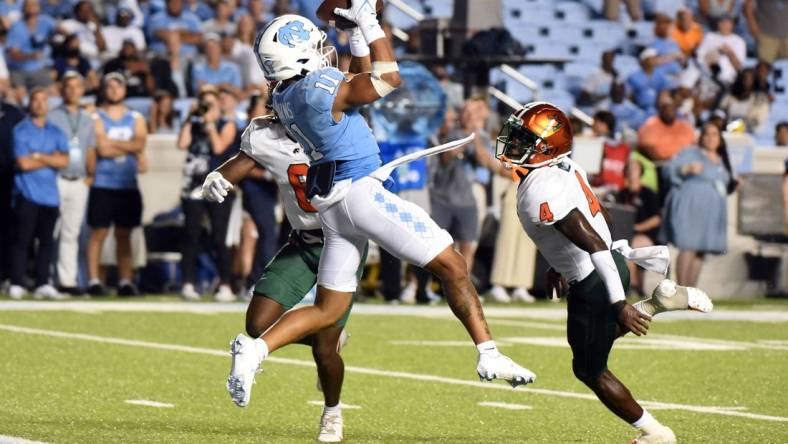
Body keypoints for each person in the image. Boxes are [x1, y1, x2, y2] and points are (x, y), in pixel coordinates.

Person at [215, 9, 534, 416]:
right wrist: (370, 23)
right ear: (297, 59)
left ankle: (255, 348)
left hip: (333, 208)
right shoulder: (317, 86)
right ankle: (488, 352)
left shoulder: (286, 96)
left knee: (328, 312)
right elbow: (386, 79)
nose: (323, 51)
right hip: (359, 193)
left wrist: (357, 37)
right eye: (313, 48)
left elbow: (361, 78)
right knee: (452, 265)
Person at [494, 101, 713, 444]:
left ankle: (656, 434)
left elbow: (593, 243)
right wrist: (559, 262)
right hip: (605, 266)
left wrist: (618, 303)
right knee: (591, 345)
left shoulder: (539, 187)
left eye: (525, 139)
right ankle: (659, 302)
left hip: (595, 277)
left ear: (547, 145)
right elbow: (602, 220)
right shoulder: (565, 167)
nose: (515, 144)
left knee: (589, 368)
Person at [203, 112, 358, 442]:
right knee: (258, 324)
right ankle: (326, 335)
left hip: (342, 242)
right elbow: (241, 163)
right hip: (302, 241)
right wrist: (216, 177)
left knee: (324, 351)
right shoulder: (265, 133)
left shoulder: (339, 126)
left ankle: (332, 411)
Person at [86, 73, 147, 297]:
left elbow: (140, 143)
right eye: (109, 85)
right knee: (99, 233)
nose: (113, 90)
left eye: (117, 85)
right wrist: (127, 145)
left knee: (124, 234)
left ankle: (125, 280)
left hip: (127, 184)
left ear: (124, 89)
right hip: (103, 182)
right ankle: (93, 279)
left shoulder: (135, 117)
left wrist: (112, 143)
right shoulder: (97, 117)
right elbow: (101, 149)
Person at [176, 88, 237, 302]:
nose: (207, 108)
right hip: (192, 185)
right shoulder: (193, 124)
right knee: (190, 236)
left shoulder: (226, 124)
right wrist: (188, 119)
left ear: (219, 106)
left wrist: (210, 124)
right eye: (204, 104)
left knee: (220, 237)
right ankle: (187, 283)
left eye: (211, 104)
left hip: (217, 185)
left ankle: (225, 284)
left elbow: (219, 147)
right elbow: (182, 144)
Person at [8, 87, 69, 299]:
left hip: (50, 195)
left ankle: (42, 281)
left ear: (49, 104)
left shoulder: (55, 131)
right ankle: (17, 281)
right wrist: (49, 158)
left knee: (46, 242)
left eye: (44, 100)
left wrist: (37, 156)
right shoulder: (21, 130)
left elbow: (65, 160)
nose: (40, 104)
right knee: (23, 240)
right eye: (36, 100)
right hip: (27, 193)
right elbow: (23, 164)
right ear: (30, 103)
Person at [661, 122, 737, 287]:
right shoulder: (690, 153)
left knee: (700, 250)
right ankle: (682, 290)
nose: (710, 138)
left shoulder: (721, 159)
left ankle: (692, 292)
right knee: (688, 246)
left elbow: (725, 183)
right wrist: (685, 169)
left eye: (714, 134)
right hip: (690, 207)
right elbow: (668, 169)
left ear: (720, 139)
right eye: (707, 134)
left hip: (711, 212)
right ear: (701, 137)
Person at [48, 72, 95, 295]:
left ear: (82, 90)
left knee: (71, 232)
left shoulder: (87, 119)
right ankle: (46, 278)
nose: (73, 91)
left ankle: (66, 281)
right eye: (69, 87)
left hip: (79, 179)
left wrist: (90, 177)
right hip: (56, 177)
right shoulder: (52, 116)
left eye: (77, 87)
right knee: (51, 230)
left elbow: (91, 149)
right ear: (62, 90)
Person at [617, 161, 661, 297]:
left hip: (644, 234)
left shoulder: (648, 193)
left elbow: (657, 218)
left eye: (635, 169)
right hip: (623, 234)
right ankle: (635, 287)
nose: (632, 172)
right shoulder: (621, 194)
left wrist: (637, 227)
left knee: (632, 247)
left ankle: (635, 285)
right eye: (629, 168)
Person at [4, 0, 57, 97]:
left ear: (39, 7)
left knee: (54, 92)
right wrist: (30, 56)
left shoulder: (45, 21)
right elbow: (13, 54)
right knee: (19, 95)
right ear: (23, 8)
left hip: (38, 68)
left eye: (34, 5)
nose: (31, 7)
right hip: (18, 70)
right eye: (28, 5)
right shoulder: (16, 26)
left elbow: (61, 29)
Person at [637, 94, 695, 162]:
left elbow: (692, 146)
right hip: (659, 164)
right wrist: (667, 163)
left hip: (684, 163)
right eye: (666, 109)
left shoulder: (685, 127)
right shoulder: (650, 125)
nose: (669, 113)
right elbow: (646, 147)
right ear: (660, 111)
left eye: (672, 109)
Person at [695, 14, 745, 86]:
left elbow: (739, 67)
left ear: (732, 25)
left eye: (728, 23)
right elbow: (699, 58)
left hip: (728, 80)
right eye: (722, 22)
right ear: (718, 24)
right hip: (708, 77)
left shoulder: (739, 41)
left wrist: (730, 53)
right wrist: (717, 51)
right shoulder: (709, 36)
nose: (725, 25)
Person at [718, 68, 770, 133]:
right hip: (727, 130)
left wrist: (734, 127)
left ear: (755, 80)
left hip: (749, 133)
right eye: (745, 77)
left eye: (750, 78)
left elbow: (758, 121)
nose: (747, 81)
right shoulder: (730, 95)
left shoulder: (760, 99)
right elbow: (720, 111)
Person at [590, 110, 630, 193]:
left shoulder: (594, 144)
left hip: (604, 192)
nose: (592, 126)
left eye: (595, 122)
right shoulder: (625, 147)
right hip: (599, 190)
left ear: (603, 124)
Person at [626, 48, 672, 113]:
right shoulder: (634, 76)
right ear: (645, 60)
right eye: (652, 58)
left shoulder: (660, 76)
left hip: (656, 109)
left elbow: (664, 93)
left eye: (655, 58)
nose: (654, 60)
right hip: (638, 109)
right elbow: (629, 95)